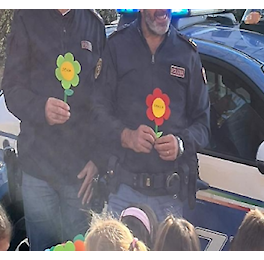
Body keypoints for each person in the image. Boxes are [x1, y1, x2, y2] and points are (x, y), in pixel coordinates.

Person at [91, 9, 210, 222]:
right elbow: (96, 112)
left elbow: (203, 123)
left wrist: (181, 143)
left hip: (170, 197)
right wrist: (125, 136)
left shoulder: (187, 53)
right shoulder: (117, 47)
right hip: (124, 190)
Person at [1, 9, 106, 250]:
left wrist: (99, 159)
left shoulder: (93, 24)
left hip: (79, 177)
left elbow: (106, 102)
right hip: (38, 172)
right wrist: (41, 108)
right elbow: (12, 89)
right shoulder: (27, 18)